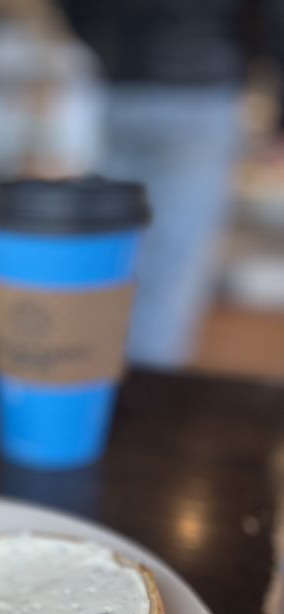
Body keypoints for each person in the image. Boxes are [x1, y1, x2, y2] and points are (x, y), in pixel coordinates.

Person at [59, 0, 284, 367]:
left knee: (115, 260)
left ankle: (100, 392)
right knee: (167, 277)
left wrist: (105, 49)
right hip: (200, 92)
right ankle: (143, 406)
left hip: (123, 92)